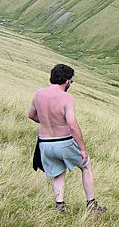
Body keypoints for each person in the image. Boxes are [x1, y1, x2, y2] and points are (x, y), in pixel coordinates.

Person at [29, 64, 106, 213]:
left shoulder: (38, 94)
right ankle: (91, 204)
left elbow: (31, 115)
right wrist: (83, 149)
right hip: (63, 141)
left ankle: (60, 206)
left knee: (58, 173)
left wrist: (47, 121)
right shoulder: (66, 98)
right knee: (86, 167)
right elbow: (72, 124)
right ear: (67, 81)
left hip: (45, 143)